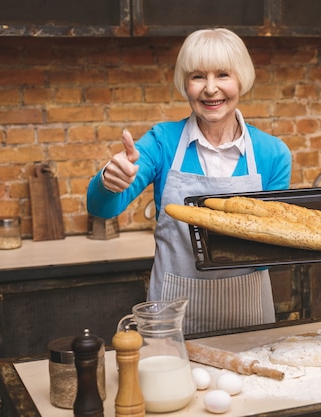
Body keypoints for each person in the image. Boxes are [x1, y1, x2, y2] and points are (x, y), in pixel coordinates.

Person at [87, 28, 292, 334]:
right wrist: (108, 182)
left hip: (246, 314)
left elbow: (271, 249)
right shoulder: (162, 142)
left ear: (241, 80)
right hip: (171, 316)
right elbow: (102, 209)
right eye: (198, 76)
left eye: (223, 75)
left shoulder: (272, 154)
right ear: (185, 84)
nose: (211, 89)